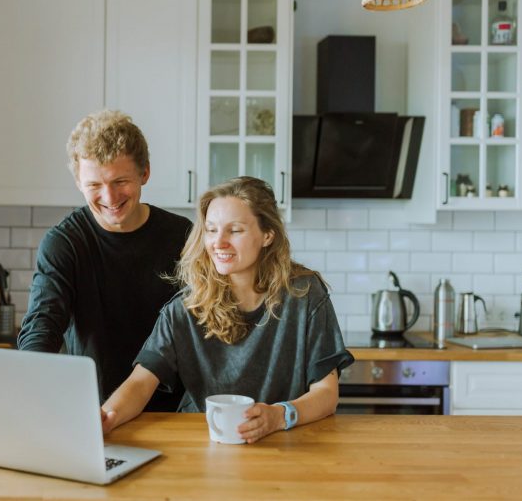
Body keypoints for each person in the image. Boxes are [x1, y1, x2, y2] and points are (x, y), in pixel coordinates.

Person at [100, 176, 354, 443]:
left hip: (283, 445)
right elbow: (140, 383)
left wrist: (279, 416)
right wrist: (106, 417)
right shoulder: (186, 308)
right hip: (205, 446)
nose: (218, 242)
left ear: (267, 235)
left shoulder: (304, 295)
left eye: (234, 230)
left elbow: (327, 393)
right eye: (211, 230)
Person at [17, 109, 192, 411]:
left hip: (174, 412)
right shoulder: (64, 243)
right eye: (95, 185)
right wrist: (31, 375)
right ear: (78, 182)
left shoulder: (183, 236)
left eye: (120, 181)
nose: (109, 198)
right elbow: (42, 322)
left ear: (144, 173)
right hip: (93, 411)